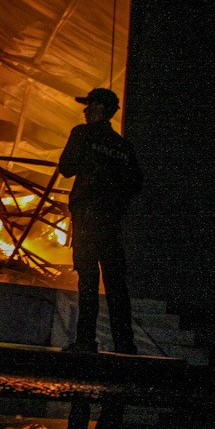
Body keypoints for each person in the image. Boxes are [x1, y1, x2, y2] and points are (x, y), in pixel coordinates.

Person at [58, 88, 143, 354]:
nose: (84, 110)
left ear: (99, 108)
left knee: (88, 281)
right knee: (116, 283)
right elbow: (135, 182)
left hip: (86, 219)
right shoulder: (123, 146)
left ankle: (85, 341)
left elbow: (66, 168)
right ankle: (125, 344)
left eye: (89, 105)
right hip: (111, 223)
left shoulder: (82, 134)